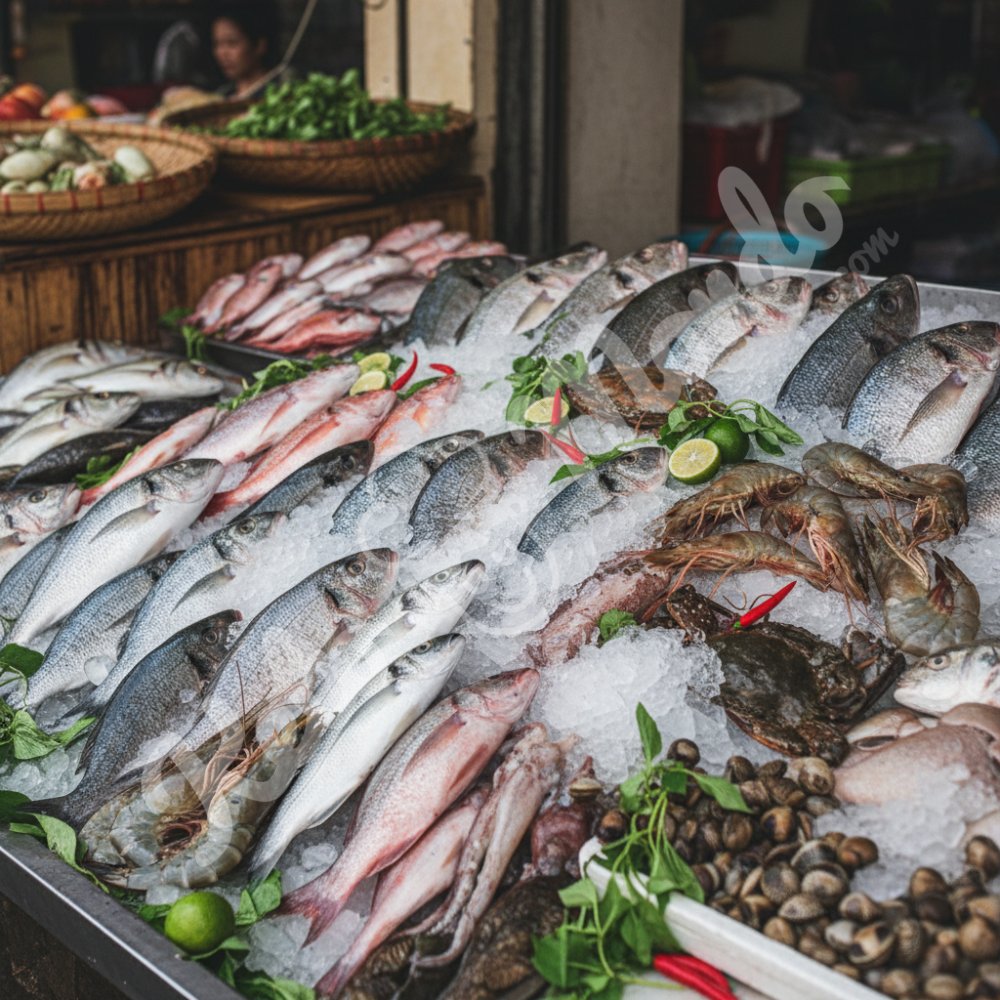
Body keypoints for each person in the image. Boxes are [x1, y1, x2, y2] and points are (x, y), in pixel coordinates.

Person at [211, 2, 283, 100]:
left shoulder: (279, 93)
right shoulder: (222, 96)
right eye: (217, 44)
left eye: (232, 43)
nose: (222, 53)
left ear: (259, 46)